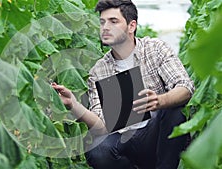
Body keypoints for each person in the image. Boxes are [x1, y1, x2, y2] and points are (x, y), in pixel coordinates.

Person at [52, 0, 195, 168]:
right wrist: (73, 105)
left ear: (131, 26)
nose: (105, 27)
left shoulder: (154, 49)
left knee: (175, 110)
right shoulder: (99, 70)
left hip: (157, 136)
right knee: (98, 149)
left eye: (113, 21)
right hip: (125, 139)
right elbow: (102, 126)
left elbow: (185, 87)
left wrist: (159, 101)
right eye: (102, 22)